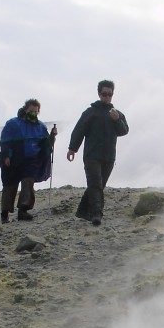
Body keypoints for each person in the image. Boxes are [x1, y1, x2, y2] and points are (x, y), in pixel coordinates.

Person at [66, 79, 129, 226]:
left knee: (99, 185)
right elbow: (79, 130)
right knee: (95, 184)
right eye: (104, 94)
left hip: (109, 157)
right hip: (91, 156)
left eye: (109, 94)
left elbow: (124, 131)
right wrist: (72, 148)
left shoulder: (116, 114)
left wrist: (117, 120)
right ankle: (96, 214)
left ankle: (82, 211)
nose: (107, 97)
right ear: (99, 93)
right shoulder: (90, 113)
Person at [0, 98, 57, 223]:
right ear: (25, 110)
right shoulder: (13, 124)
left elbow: (46, 144)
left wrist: (52, 136)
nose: (33, 114)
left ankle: (23, 211)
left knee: (28, 182)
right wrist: (6, 156)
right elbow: (4, 142)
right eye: (31, 111)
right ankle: (4, 213)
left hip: (31, 161)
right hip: (14, 159)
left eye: (36, 112)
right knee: (10, 185)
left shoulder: (40, 127)